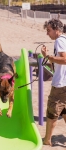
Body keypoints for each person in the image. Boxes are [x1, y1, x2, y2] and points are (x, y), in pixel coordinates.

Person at [41, 18, 66, 146]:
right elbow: (58, 64)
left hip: (60, 84)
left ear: (57, 30)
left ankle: (47, 140)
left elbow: (64, 59)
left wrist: (50, 57)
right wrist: (47, 56)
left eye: (49, 30)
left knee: (52, 113)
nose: (47, 33)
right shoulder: (64, 40)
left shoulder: (59, 41)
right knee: (64, 111)